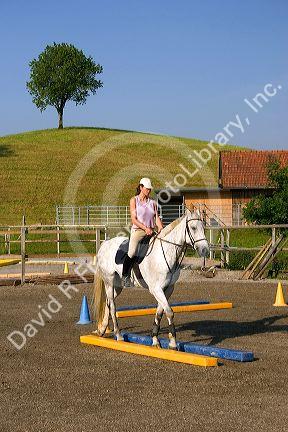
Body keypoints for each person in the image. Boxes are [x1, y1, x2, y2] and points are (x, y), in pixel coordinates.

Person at [121, 177, 163, 287]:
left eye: (150, 189)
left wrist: (161, 228)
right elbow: (134, 219)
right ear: (141, 187)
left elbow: (156, 218)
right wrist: (145, 228)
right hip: (138, 231)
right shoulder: (134, 200)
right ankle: (125, 276)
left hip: (151, 231)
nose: (149, 191)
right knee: (132, 251)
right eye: (147, 189)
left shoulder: (153, 202)